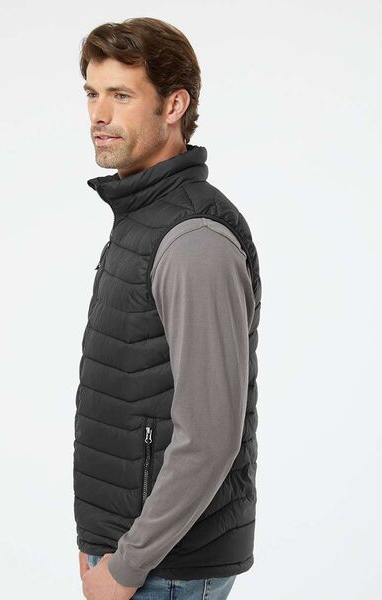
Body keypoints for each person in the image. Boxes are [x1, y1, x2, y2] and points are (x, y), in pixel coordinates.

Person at [74, 17, 262, 600]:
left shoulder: (192, 238)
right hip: (139, 557)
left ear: (174, 105)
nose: (99, 114)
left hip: (167, 568)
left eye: (122, 95)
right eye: (92, 94)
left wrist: (125, 568)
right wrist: (101, 545)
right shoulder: (144, 218)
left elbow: (210, 438)